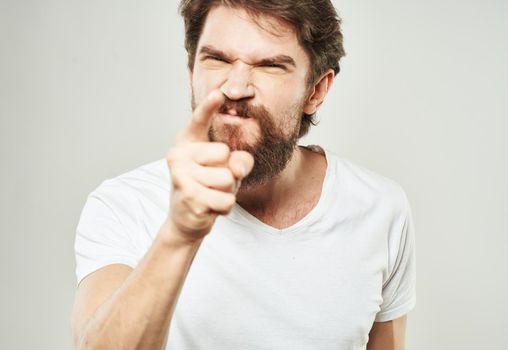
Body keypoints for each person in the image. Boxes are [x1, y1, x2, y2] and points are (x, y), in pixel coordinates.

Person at [71, 1, 416, 349]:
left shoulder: (380, 208)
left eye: (269, 66)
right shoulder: (124, 204)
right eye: (217, 59)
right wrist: (179, 234)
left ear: (316, 90)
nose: (235, 89)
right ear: (191, 70)